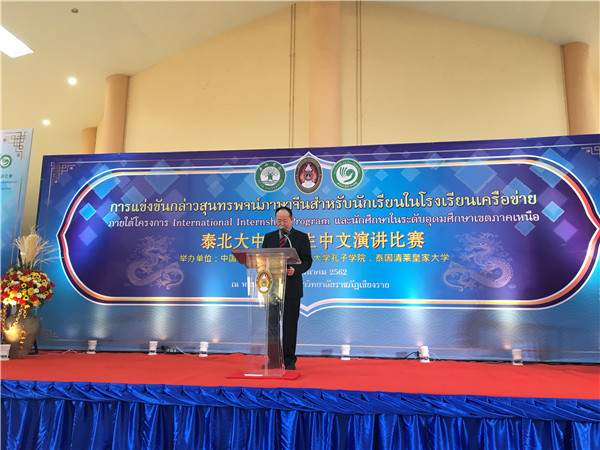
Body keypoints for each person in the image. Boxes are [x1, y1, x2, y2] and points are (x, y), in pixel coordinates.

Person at [262, 206, 312, 370]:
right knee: (272, 326)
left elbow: (307, 260)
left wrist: (295, 270)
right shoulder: (269, 237)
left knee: (290, 326)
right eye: (278, 220)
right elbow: (262, 259)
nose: (281, 224)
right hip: (272, 288)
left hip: (292, 288)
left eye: (284, 220)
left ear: (292, 220)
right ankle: (273, 361)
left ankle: (289, 360)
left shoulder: (301, 237)